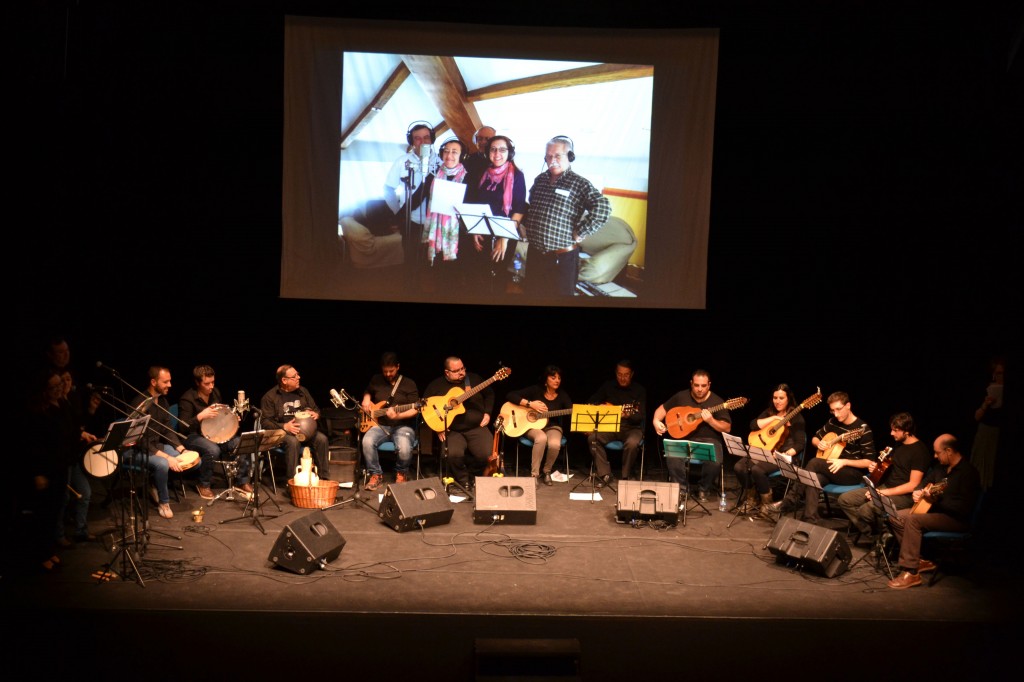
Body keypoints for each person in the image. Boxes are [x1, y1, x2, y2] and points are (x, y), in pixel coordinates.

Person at [766, 390, 877, 523]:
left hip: (853, 473)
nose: (836, 414)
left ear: (848, 406)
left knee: (814, 463)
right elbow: (814, 438)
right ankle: (810, 519)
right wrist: (820, 444)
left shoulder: (863, 429)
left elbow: (869, 462)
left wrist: (844, 462)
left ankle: (789, 501)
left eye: (838, 409)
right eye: (832, 410)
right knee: (814, 479)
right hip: (831, 469)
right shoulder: (833, 422)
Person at [887, 434, 981, 589]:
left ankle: (911, 572)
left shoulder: (968, 473)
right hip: (935, 512)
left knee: (913, 519)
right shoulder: (940, 468)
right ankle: (918, 559)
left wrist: (938, 500)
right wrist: (918, 492)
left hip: (956, 519)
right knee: (896, 516)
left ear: (949, 451)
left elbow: (964, 508)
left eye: (938, 453)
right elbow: (923, 483)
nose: (935, 456)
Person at [521, 136, 611, 296]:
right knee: (531, 296)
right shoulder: (540, 179)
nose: (552, 160)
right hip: (535, 255)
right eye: (548, 156)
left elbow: (603, 208)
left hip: (562, 258)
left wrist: (582, 231)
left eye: (557, 155)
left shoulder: (579, 183)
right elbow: (532, 203)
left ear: (570, 156)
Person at [21, 369, 91, 571]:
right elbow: (32, 445)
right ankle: (40, 554)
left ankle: (49, 551)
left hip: (61, 465)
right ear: (44, 389)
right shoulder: (38, 410)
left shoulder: (62, 405)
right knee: (43, 513)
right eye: (54, 386)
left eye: (60, 385)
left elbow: (72, 429)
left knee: (54, 511)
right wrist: (38, 473)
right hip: (45, 469)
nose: (59, 388)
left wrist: (89, 413)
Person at [838, 412, 930, 544]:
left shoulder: (919, 452)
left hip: (905, 496)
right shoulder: (898, 445)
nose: (891, 433)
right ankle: (876, 535)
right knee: (845, 500)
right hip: (886, 487)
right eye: (892, 429)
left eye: (895, 430)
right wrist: (876, 468)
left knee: (867, 509)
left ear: (907, 431)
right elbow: (888, 469)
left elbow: (912, 485)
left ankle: (883, 539)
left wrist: (883, 493)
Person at [122, 366, 192, 520]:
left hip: (155, 446)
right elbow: (139, 440)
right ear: (153, 382)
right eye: (166, 382)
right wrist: (167, 457)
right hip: (136, 449)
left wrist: (181, 448)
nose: (170, 385)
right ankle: (164, 502)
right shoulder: (140, 404)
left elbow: (167, 429)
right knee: (162, 464)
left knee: (188, 459)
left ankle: (154, 483)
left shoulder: (163, 401)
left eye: (170, 381)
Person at [653, 369, 731, 501]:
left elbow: (727, 427)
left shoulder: (717, 401)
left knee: (715, 462)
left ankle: (704, 489)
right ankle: (682, 490)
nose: (700, 389)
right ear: (691, 384)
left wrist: (711, 420)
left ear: (709, 385)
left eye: (703, 386)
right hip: (684, 438)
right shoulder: (681, 396)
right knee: (672, 456)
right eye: (696, 385)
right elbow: (661, 410)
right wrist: (655, 421)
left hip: (709, 440)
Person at [177, 364, 251, 501]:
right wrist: (200, 416)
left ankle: (242, 481)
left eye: (213, 382)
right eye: (207, 383)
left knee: (241, 442)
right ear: (197, 382)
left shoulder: (215, 393)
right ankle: (203, 484)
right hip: (193, 436)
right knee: (212, 450)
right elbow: (182, 427)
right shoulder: (187, 399)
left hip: (214, 434)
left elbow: (220, 416)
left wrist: (232, 418)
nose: (211, 386)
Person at [422, 356, 497, 490]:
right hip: (452, 430)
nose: (461, 372)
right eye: (456, 371)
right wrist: (438, 427)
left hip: (476, 427)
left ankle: (473, 477)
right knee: (452, 454)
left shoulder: (473, 379)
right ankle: (463, 480)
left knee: (487, 454)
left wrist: (488, 412)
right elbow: (425, 408)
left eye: (462, 368)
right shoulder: (436, 385)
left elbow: (489, 394)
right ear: (447, 372)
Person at [463, 134, 527, 287]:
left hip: (504, 234)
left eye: (502, 150)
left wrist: (503, 239)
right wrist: (475, 230)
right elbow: (476, 203)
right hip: (483, 233)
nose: (497, 154)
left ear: (510, 153)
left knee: (497, 280)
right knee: (480, 277)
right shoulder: (483, 173)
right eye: (493, 149)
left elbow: (519, 209)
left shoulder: (517, 175)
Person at [260, 365, 331, 493]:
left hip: (306, 432)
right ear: (284, 380)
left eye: (297, 374)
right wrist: (285, 426)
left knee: (322, 439)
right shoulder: (270, 397)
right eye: (294, 376)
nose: (298, 378)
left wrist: (316, 414)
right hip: (284, 433)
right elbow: (265, 422)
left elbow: (316, 409)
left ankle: (324, 479)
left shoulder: (303, 392)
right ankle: (292, 483)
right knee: (293, 442)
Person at [736, 384, 806, 513]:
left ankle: (766, 504)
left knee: (757, 470)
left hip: (783, 456)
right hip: (764, 452)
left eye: (781, 398)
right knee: (739, 467)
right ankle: (752, 498)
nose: (777, 401)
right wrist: (774, 418)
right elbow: (753, 425)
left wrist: (784, 454)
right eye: (775, 398)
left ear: (788, 399)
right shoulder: (769, 412)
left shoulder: (796, 417)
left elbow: (800, 443)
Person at [359, 352, 421, 491]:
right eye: (385, 371)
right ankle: (375, 475)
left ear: (398, 367)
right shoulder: (376, 379)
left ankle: (401, 473)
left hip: (403, 426)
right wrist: (366, 398)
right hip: (380, 425)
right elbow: (368, 390)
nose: (388, 374)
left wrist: (397, 417)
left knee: (404, 448)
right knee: (367, 442)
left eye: (391, 371)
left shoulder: (409, 383)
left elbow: (416, 409)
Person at [505, 365, 573, 486]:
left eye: (559, 378)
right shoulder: (535, 390)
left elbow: (572, 410)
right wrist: (530, 404)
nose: (557, 380)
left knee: (554, 444)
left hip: (552, 427)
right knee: (541, 438)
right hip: (532, 427)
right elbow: (510, 395)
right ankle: (534, 475)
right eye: (553, 377)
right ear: (546, 379)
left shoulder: (562, 395)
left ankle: (547, 471)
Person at [383, 120, 439, 262]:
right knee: (410, 260)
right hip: (410, 221)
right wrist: (399, 212)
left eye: (426, 137)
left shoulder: (442, 162)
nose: (422, 141)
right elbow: (389, 188)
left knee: (433, 262)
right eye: (417, 138)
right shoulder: (402, 162)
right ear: (411, 141)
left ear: (431, 139)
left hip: (435, 222)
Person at [419, 137, 471, 287]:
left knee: (455, 275)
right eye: (446, 151)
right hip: (437, 232)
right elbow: (420, 197)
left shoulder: (468, 177)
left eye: (454, 152)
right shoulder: (433, 174)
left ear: (462, 156)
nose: (449, 155)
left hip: (458, 232)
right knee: (438, 274)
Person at [587, 360, 647, 486]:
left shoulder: (639, 390)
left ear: (631, 374)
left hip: (632, 428)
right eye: (620, 374)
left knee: (632, 443)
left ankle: (625, 476)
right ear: (615, 373)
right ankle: (605, 474)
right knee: (593, 438)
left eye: (626, 375)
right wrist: (601, 406)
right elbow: (591, 401)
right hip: (610, 426)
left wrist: (629, 415)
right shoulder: (608, 386)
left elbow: (640, 416)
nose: (622, 378)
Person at [969, 356, 1004, 491]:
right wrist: (986, 404)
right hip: (987, 431)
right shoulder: (988, 389)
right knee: (982, 465)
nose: (1001, 376)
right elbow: (976, 417)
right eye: (999, 373)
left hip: (1001, 433)